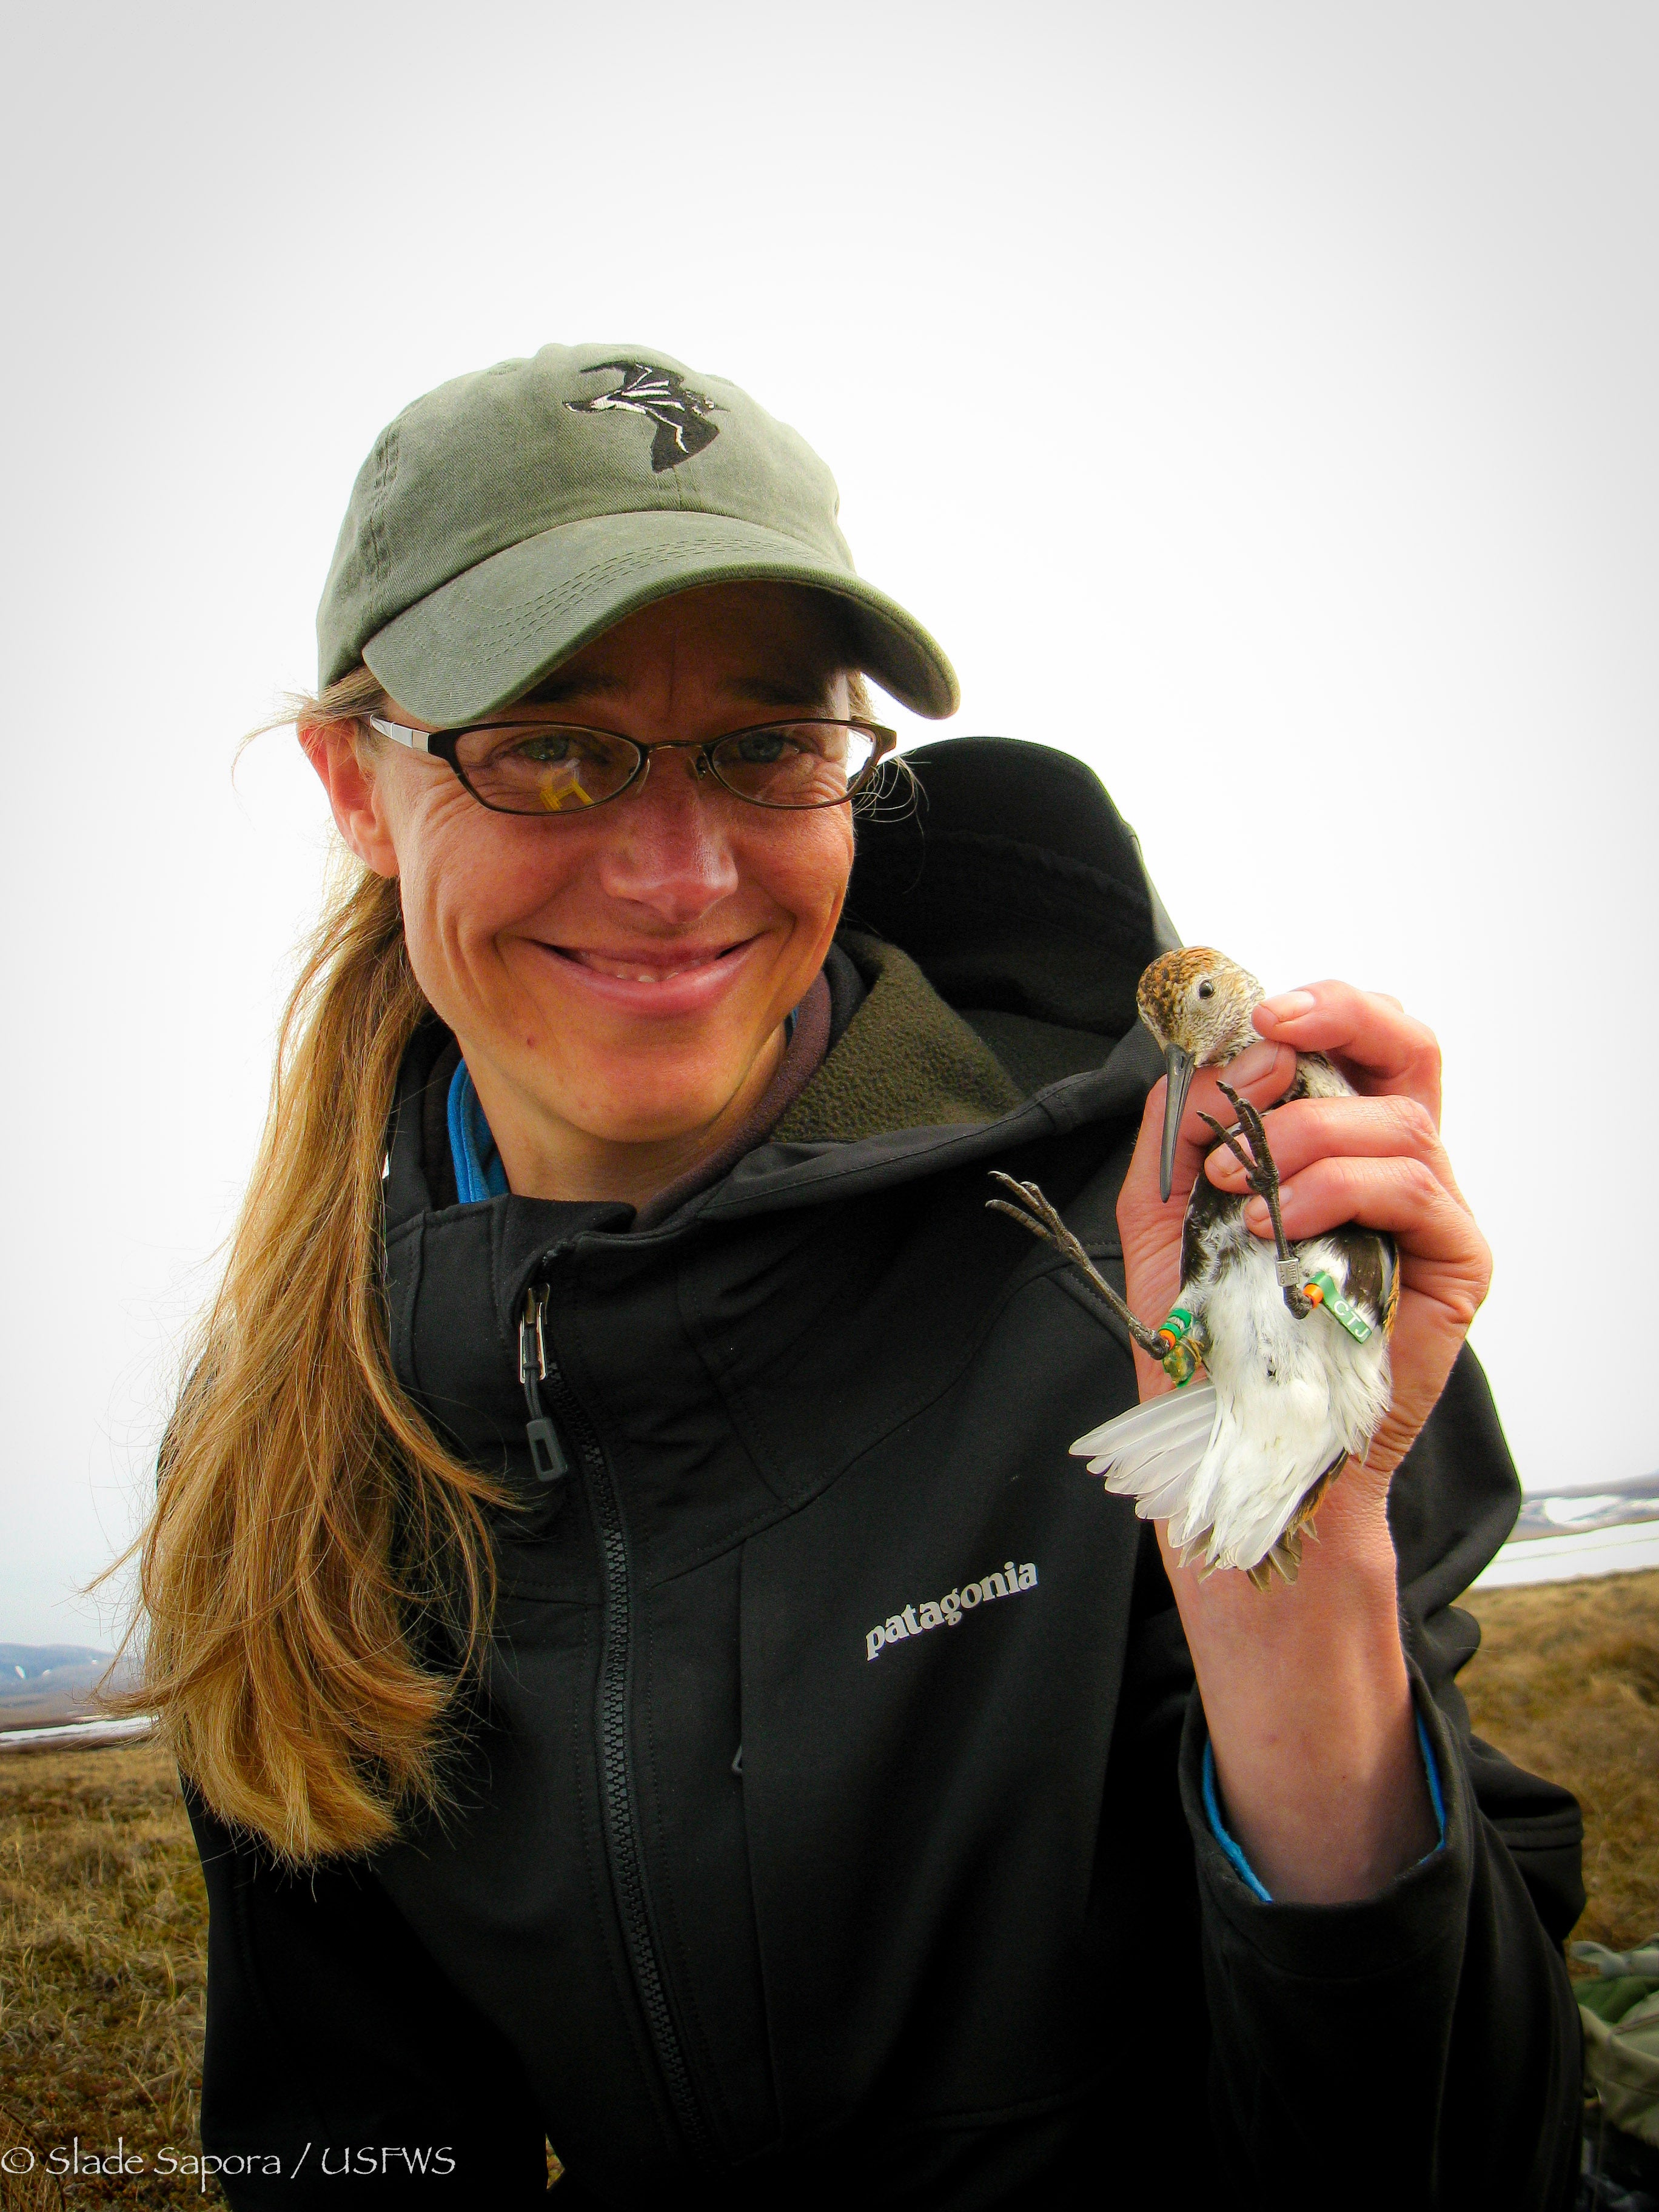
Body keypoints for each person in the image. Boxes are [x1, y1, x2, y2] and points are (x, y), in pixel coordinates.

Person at [138, 344, 1584, 2210]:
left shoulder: (1204, 1250)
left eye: (769, 746)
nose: (677, 871)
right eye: (554, 746)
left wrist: (1297, 1614)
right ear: (357, 782)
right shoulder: (296, 1448)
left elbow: (1470, 2165)